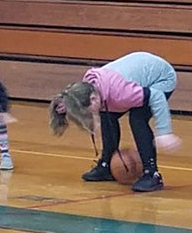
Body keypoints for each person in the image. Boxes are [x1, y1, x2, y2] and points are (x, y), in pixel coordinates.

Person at [49, 51, 180, 193]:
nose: (88, 114)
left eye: (87, 110)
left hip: (161, 78)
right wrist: (67, 104)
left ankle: (152, 174)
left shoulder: (121, 93)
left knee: (137, 119)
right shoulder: (87, 86)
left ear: (93, 99)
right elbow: (75, 97)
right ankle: (106, 166)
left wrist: (164, 132)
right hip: (134, 76)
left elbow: (157, 96)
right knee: (106, 115)